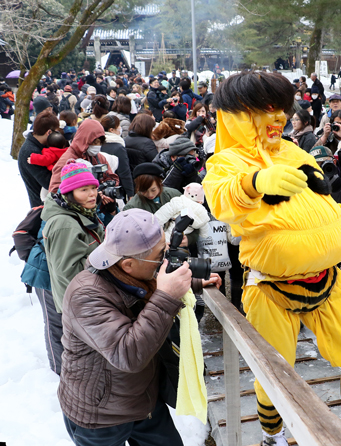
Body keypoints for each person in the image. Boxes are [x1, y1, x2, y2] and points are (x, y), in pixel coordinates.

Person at [202, 71, 341, 446]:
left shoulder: (296, 153)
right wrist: (255, 182)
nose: (278, 117)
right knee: (275, 371)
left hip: (327, 278)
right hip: (272, 287)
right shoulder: (227, 161)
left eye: (281, 108)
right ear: (236, 116)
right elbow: (220, 198)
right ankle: (272, 435)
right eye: (265, 110)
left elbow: (328, 209)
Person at [59, 208, 220, 446]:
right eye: (159, 256)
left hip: (144, 400)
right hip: (101, 415)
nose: (165, 261)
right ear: (127, 265)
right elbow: (128, 355)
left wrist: (189, 283)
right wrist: (168, 296)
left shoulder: (136, 272)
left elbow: (155, 281)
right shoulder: (86, 295)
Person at [42, 162, 105, 373]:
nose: (92, 194)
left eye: (94, 188)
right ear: (69, 193)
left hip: (87, 297)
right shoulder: (65, 223)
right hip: (80, 301)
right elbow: (68, 272)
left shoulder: (82, 212)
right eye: (83, 190)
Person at [48, 119, 119, 194]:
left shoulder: (98, 157)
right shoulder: (66, 161)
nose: (97, 146)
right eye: (94, 143)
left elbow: (112, 178)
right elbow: (54, 192)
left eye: (100, 143)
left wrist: (105, 189)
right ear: (85, 140)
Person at [99, 115, 135, 198]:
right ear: (111, 130)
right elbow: (124, 172)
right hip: (115, 187)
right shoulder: (118, 147)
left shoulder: (98, 143)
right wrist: (130, 194)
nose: (120, 128)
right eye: (118, 126)